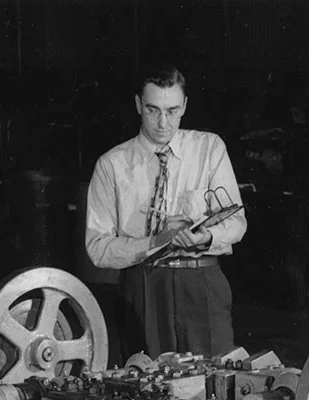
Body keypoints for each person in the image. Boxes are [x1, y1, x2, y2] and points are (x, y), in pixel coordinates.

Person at [85, 66, 247, 358]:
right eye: (152, 110)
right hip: (143, 286)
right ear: (138, 105)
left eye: (172, 111)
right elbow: (98, 249)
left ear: (184, 106)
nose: (163, 123)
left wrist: (205, 237)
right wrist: (157, 241)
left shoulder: (209, 148)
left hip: (202, 282)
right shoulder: (111, 165)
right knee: (145, 377)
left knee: (215, 377)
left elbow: (236, 222)